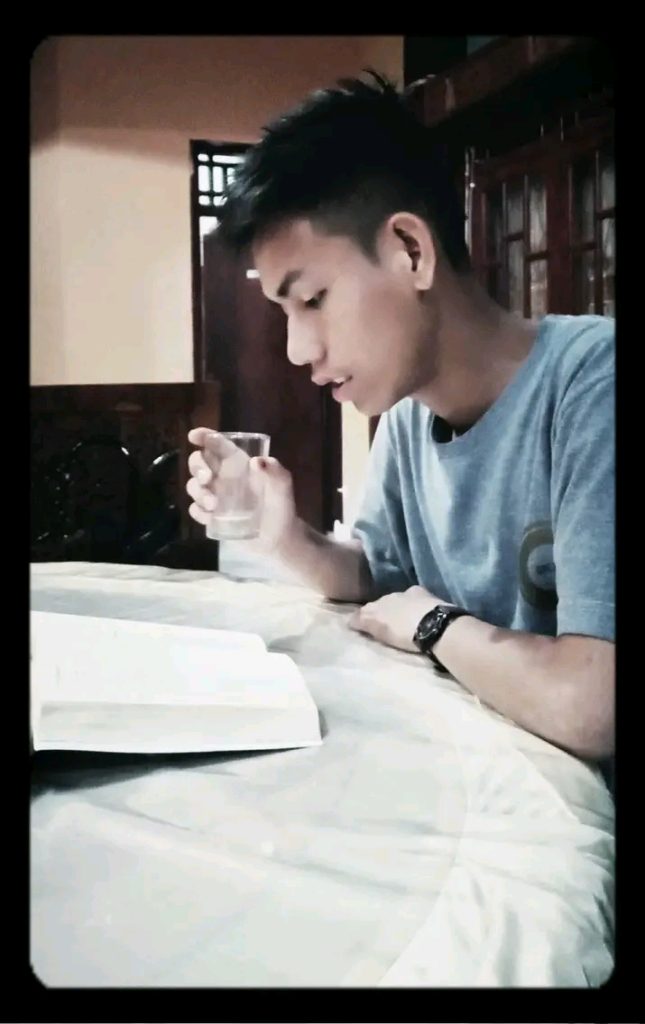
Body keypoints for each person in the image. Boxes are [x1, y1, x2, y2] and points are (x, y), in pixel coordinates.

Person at [186, 71, 615, 762]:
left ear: (411, 251)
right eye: (285, 313)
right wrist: (284, 536)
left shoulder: (592, 384)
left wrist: (435, 624)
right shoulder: (409, 416)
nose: (298, 350)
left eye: (313, 300)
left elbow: (593, 703)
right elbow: (377, 578)